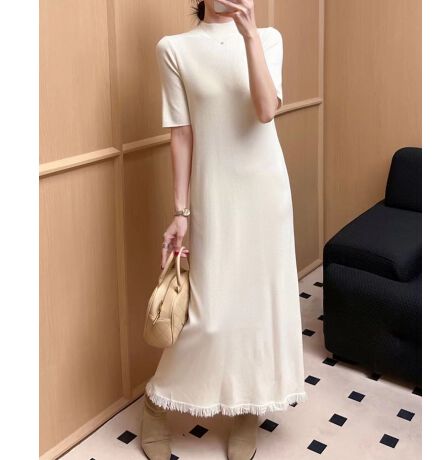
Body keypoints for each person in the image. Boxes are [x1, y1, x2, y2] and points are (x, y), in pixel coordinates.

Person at [141, 1, 306, 459]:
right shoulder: (174, 49)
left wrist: (249, 35)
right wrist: (181, 212)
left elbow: (265, 110)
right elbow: (181, 133)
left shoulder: (268, 38)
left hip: (265, 195)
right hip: (213, 193)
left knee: (256, 306)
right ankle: (156, 404)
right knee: (207, 313)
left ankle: (245, 409)